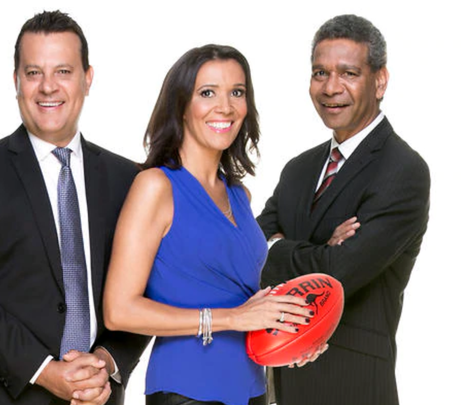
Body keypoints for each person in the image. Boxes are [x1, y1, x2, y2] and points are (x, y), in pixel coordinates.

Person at [102, 45, 320, 405]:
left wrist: (294, 335)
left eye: (237, 92)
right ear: (182, 107)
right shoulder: (156, 187)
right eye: (207, 93)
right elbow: (119, 309)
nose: (226, 106)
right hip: (187, 389)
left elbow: (246, 303)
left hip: (253, 386)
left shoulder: (240, 195)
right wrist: (231, 319)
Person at [0, 10, 150, 405]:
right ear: (16, 82)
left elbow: (143, 289)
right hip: (6, 395)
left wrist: (105, 363)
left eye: (63, 71)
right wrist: (46, 372)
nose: (48, 87)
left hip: (98, 395)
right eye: (33, 73)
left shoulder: (127, 179)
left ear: (87, 78)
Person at [257, 14, 430, 405]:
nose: (331, 87)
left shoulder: (403, 170)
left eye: (348, 73)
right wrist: (322, 250)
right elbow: (249, 250)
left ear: (379, 81)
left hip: (354, 385)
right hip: (283, 383)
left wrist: (281, 246)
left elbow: (336, 275)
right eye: (320, 73)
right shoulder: (299, 169)